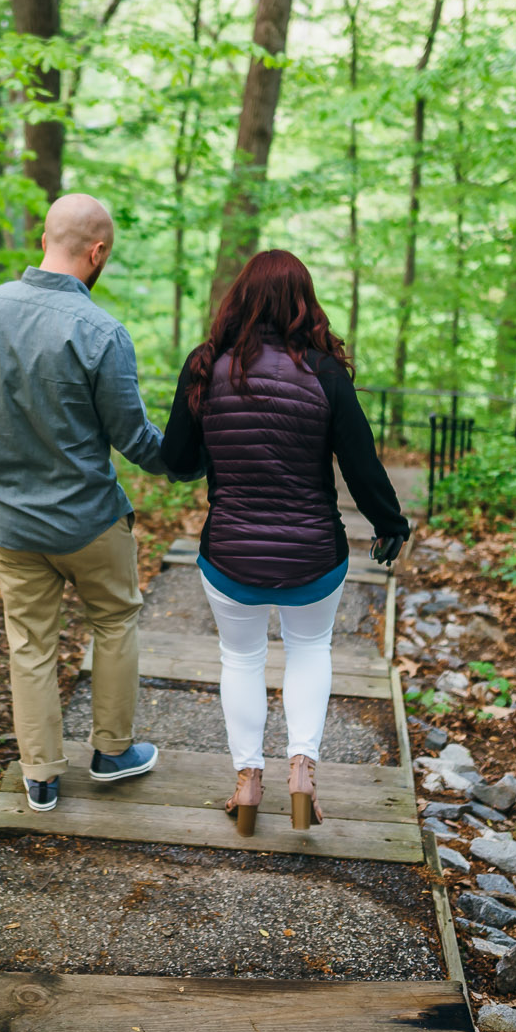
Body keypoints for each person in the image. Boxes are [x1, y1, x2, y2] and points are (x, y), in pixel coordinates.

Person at [0, 194, 183, 814]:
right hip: (89, 522)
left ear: (44, 237)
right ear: (97, 251)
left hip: (10, 522)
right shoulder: (102, 332)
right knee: (114, 622)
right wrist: (190, 461)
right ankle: (111, 753)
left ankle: (41, 777)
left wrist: (6, 453)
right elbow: (135, 439)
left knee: (29, 643)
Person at [159, 250, 407, 835]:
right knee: (310, 650)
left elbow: (177, 460)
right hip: (315, 554)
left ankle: (248, 782)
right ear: (305, 302)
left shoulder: (205, 364)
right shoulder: (325, 373)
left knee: (240, 659)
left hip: (230, 553)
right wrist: (389, 522)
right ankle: (301, 773)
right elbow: (361, 463)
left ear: (239, 298)